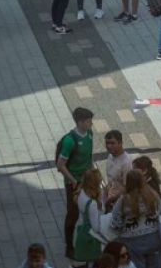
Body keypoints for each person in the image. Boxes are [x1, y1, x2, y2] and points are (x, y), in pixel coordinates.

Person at [58, 106, 95, 260]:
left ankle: (90, 242)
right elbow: (61, 165)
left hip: (88, 180)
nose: (91, 123)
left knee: (91, 211)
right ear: (80, 122)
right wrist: (73, 181)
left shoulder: (90, 134)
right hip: (74, 183)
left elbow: (89, 157)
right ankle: (69, 247)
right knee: (72, 215)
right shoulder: (69, 141)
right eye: (88, 121)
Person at [111, 170, 161, 268]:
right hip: (154, 238)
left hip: (132, 242)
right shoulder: (153, 196)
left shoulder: (123, 201)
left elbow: (116, 222)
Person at [102, 130, 133, 208]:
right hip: (109, 198)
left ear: (120, 143)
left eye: (112, 143)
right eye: (107, 143)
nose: (109, 146)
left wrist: (113, 199)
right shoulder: (110, 156)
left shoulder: (126, 163)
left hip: (120, 203)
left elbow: (128, 187)